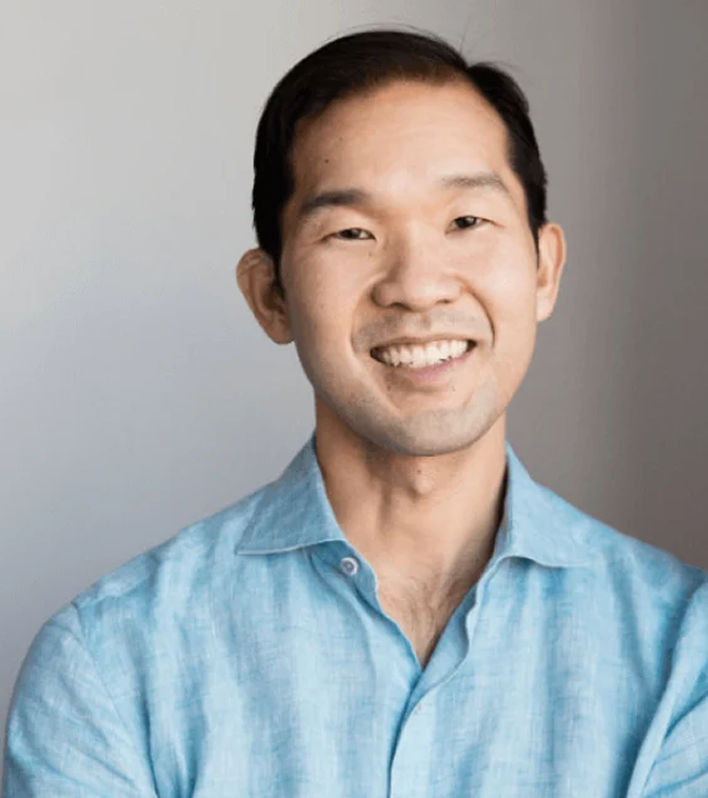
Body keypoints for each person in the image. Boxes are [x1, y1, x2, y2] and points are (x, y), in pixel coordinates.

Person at [3, 27, 707, 798]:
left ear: (544, 268)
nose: (416, 284)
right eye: (352, 232)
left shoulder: (686, 656)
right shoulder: (109, 663)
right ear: (270, 296)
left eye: (466, 221)